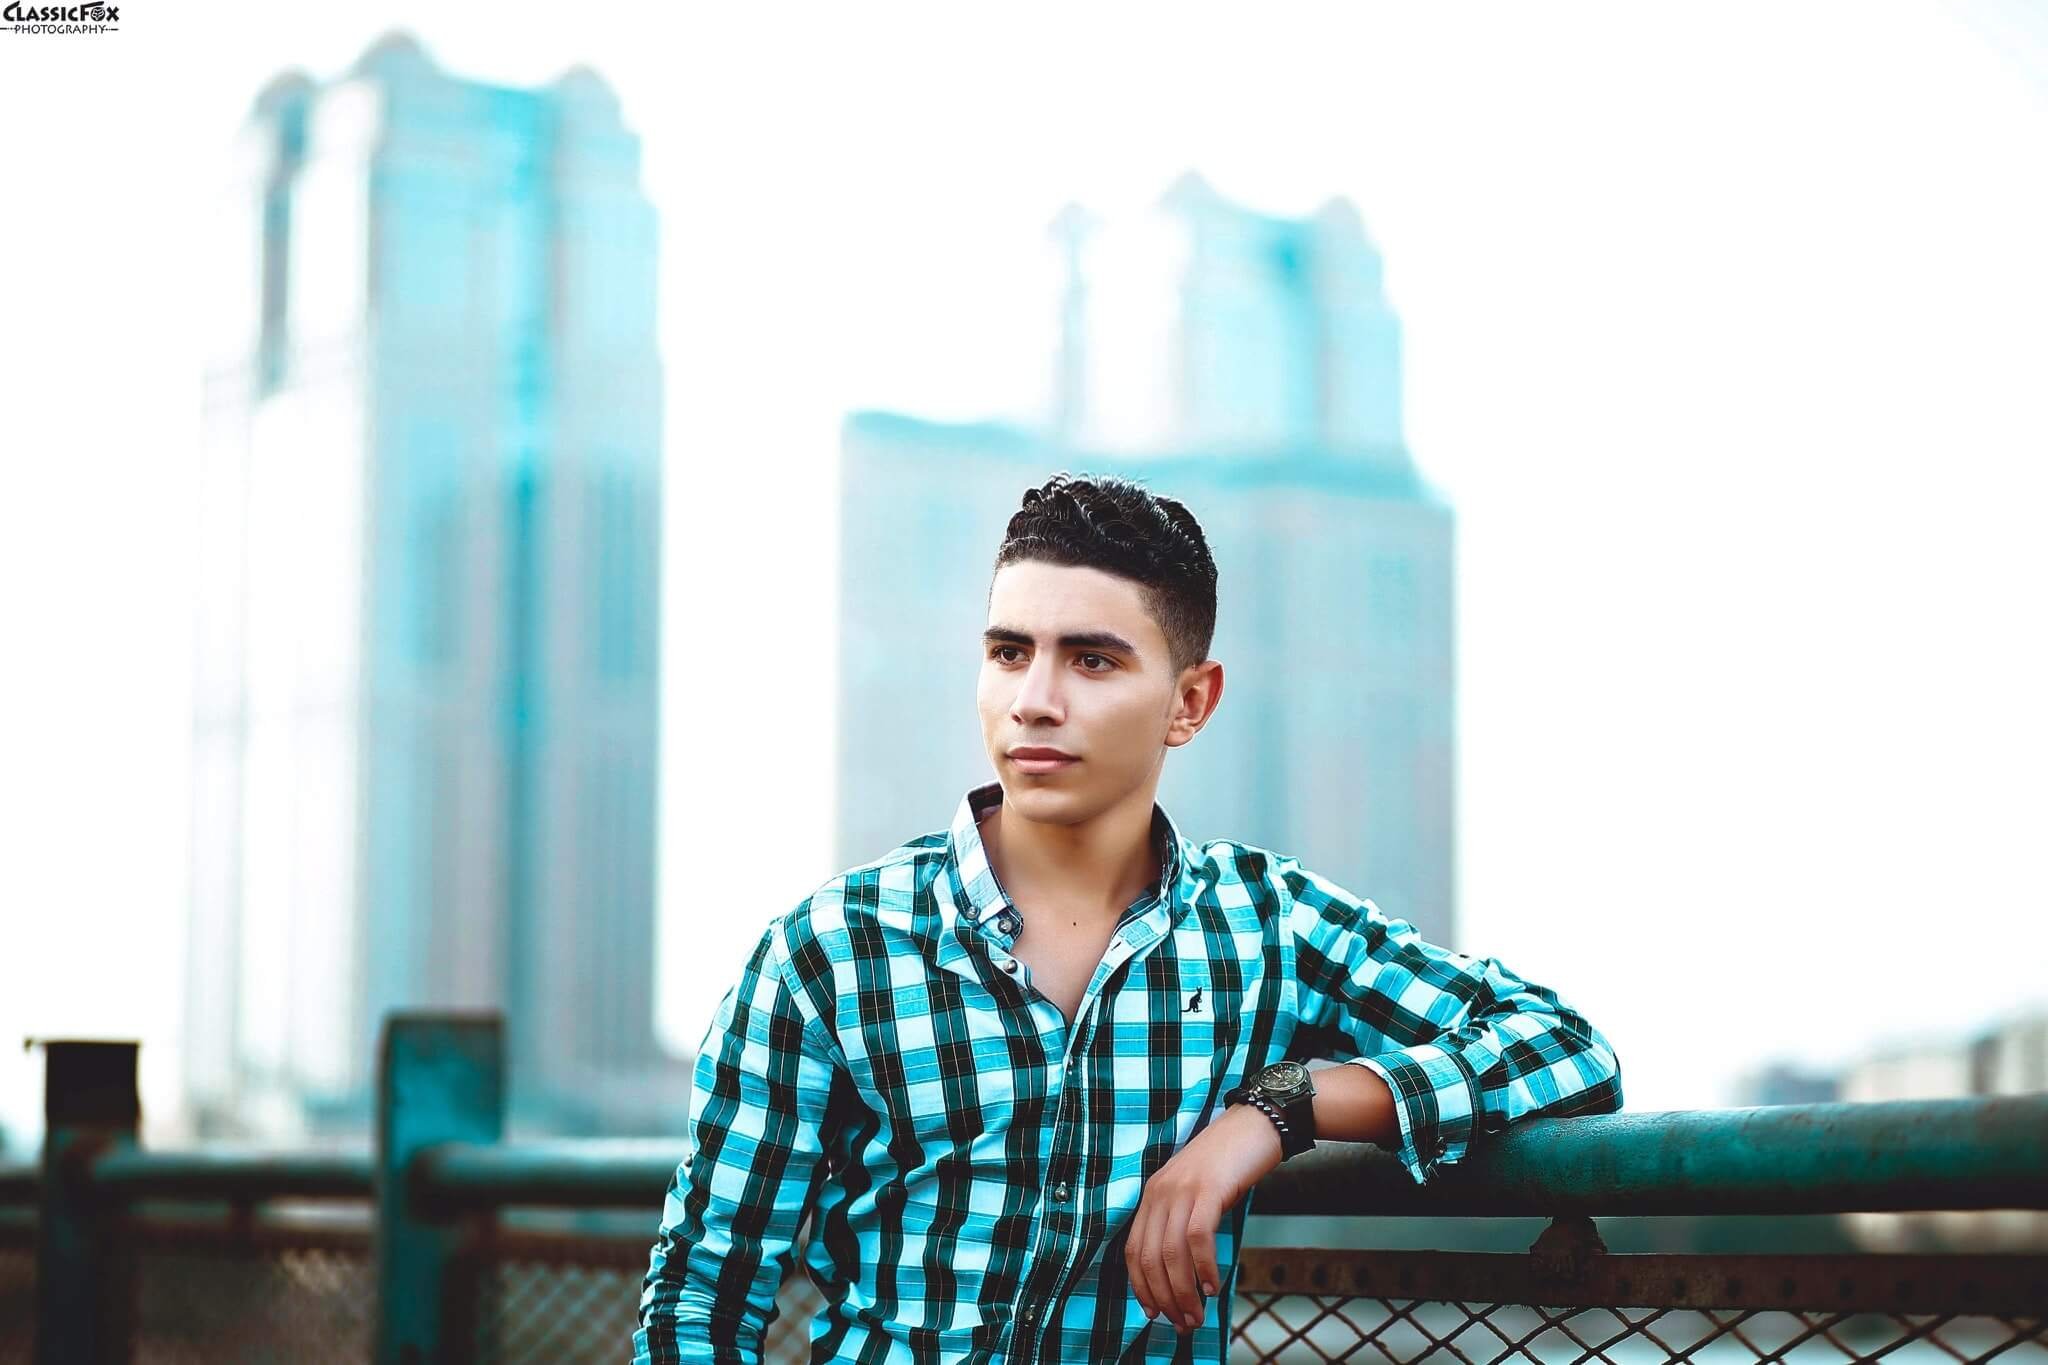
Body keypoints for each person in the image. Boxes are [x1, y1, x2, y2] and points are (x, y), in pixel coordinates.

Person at [634, 473, 1623, 1364]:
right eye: (1008, 652)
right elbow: (697, 1308)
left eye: (1091, 661)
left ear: (1188, 701)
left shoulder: (1261, 925)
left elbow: (1564, 1049)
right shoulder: (832, 949)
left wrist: (1276, 1109)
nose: (1033, 700)